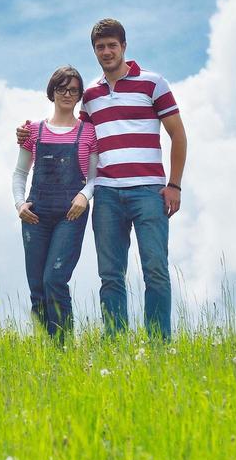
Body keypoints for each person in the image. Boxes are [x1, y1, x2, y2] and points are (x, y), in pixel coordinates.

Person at [17, 18, 186, 339]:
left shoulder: (154, 84)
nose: (106, 52)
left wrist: (174, 185)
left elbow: (178, 134)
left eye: (112, 45)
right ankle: (116, 342)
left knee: (155, 271)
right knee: (110, 275)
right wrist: (27, 134)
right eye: (100, 47)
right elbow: (72, 134)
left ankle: (159, 344)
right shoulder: (91, 95)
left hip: (150, 191)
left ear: (124, 46)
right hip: (107, 195)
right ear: (94, 51)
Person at [13, 65, 98, 341]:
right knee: (37, 287)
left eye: (73, 90)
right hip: (35, 216)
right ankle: (43, 348)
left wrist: (84, 196)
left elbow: (95, 177)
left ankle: (62, 350)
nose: (67, 94)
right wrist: (19, 204)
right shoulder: (33, 131)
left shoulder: (88, 132)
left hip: (70, 216)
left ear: (79, 95)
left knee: (55, 280)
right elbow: (20, 174)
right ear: (52, 92)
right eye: (62, 88)